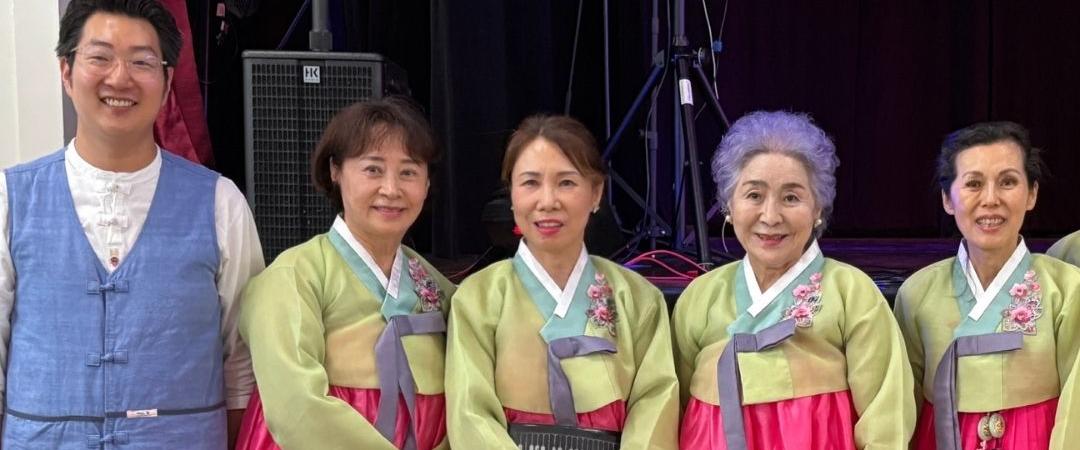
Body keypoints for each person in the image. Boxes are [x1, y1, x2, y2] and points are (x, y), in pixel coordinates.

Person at [0, 0, 264, 447]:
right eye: (100, 57)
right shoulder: (10, 200)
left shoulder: (221, 203)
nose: (119, 77)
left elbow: (242, 363)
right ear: (66, 71)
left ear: (165, 85)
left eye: (141, 61)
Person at [672, 111, 915, 450]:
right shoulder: (701, 297)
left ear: (818, 208)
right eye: (754, 195)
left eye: (791, 197)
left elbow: (886, 419)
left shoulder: (851, 292)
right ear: (728, 204)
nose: (770, 217)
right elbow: (674, 410)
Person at [445, 115, 679, 449]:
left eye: (566, 183)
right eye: (530, 183)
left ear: (596, 193)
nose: (548, 201)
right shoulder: (477, 298)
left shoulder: (639, 298)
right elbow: (470, 413)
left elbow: (656, 403)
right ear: (511, 195)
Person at [235, 97, 455, 450]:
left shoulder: (439, 287)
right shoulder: (294, 276)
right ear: (335, 170)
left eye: (409, 172)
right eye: (373, 169)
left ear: (427, 185)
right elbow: (296, 409)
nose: (391, 189)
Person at [894, 121, 1080, 450]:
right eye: (973, 184)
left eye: (1008, 182)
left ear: (1032, 193)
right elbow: (902, 407)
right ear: (947, 199)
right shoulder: (916, 293)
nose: (990, 199)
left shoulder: (1067, 290)